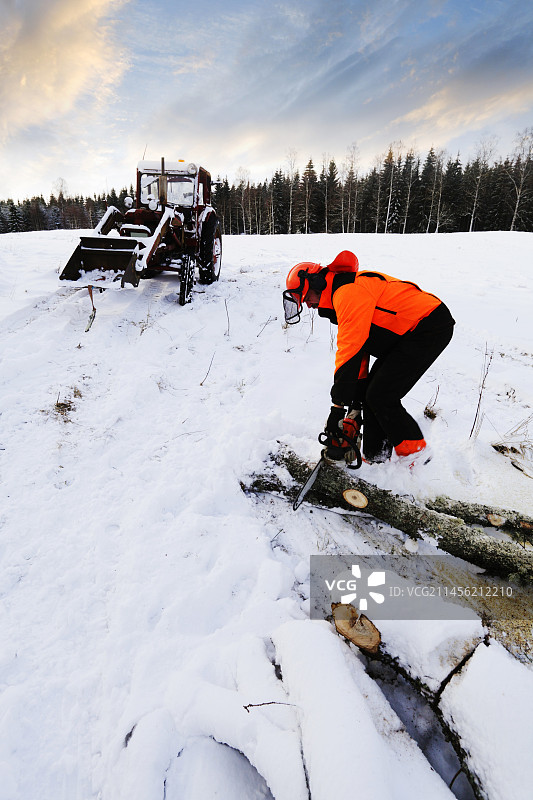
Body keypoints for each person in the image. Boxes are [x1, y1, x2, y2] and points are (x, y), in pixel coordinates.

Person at [283, 251, 454, 464]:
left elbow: (349, 350)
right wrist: (355, 403)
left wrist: (337, 408)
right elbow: (360, 350)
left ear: (317, 284)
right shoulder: (340, 293)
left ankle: (417, 457)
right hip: (404, 334)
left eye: (307, 297)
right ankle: (376, 457)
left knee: (382, 395)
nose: (308, 305)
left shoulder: (347, 293)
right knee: (371, 394)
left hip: (428, 325)